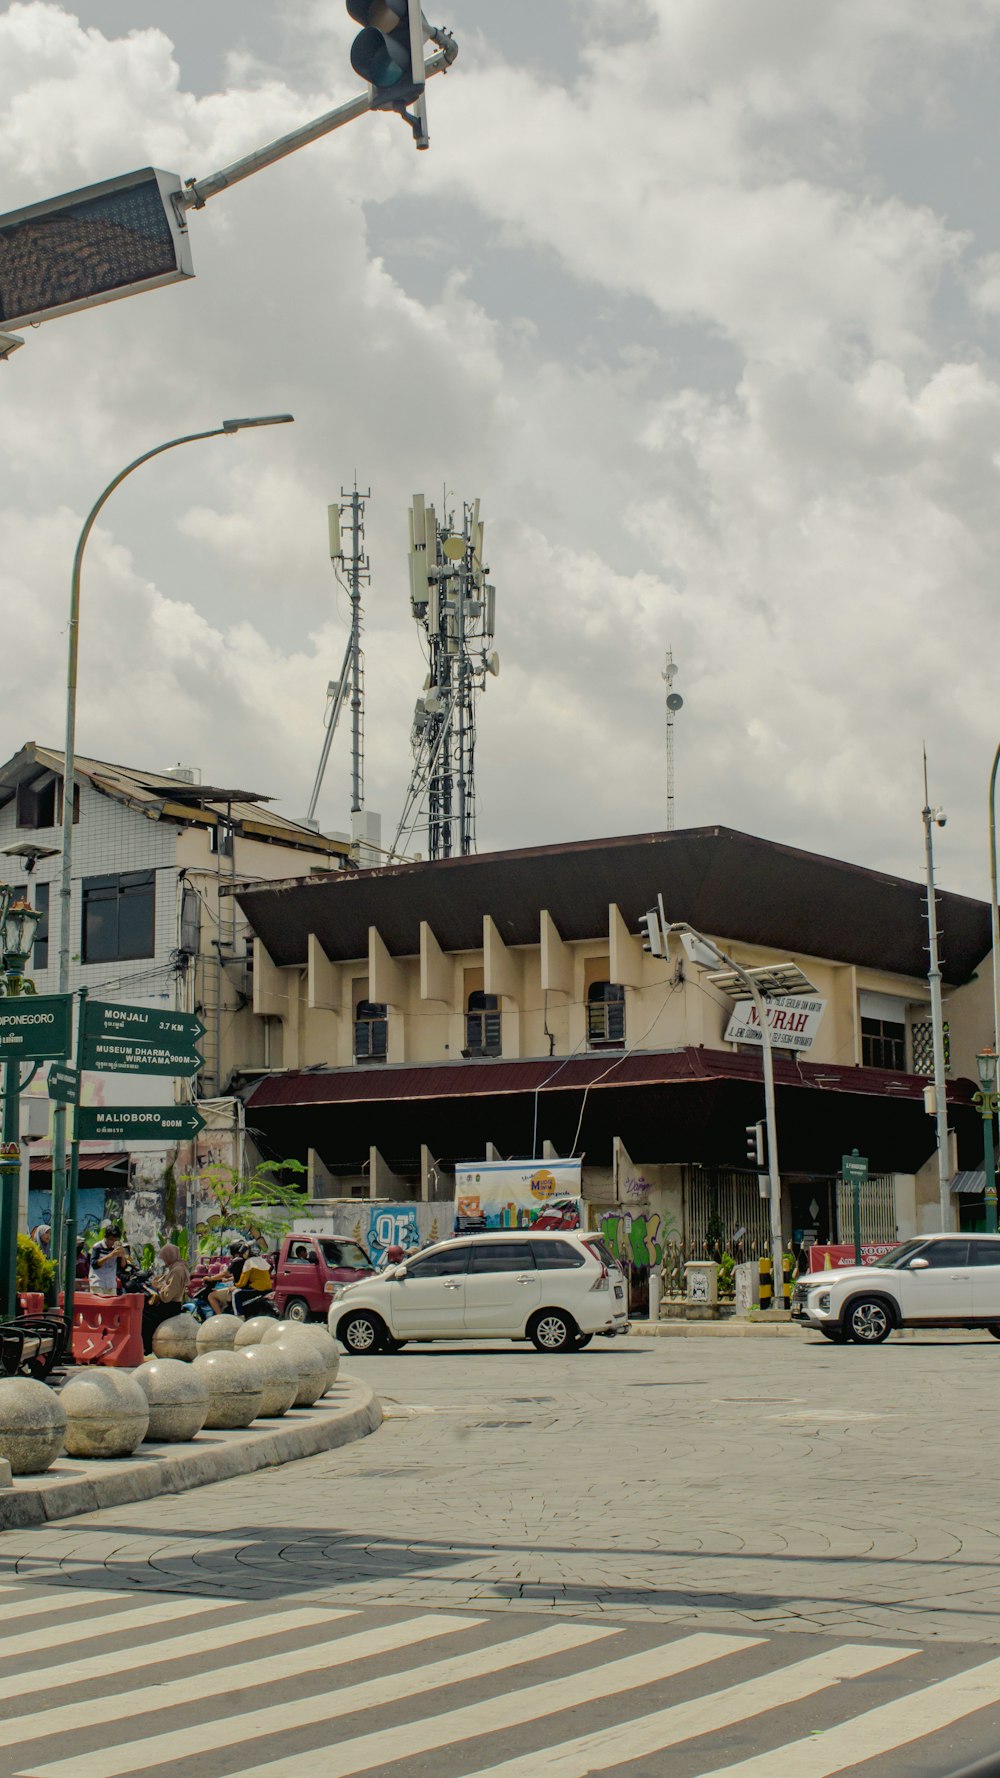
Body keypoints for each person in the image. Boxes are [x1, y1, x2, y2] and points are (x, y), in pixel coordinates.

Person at [142, 1243, 191, 1352]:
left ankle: (148, 1346)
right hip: (172, 1305)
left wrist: (157, 1286)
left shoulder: (177, 1270)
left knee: (144, 1315)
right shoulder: (177, 1267)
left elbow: (167, 1296)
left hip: (170, 1307)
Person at [232, 1245, 274, 1318]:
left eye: (244, 1252)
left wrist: (235, 1285)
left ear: (248, 1252)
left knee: (235, 1293)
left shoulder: (249, 1262)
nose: (243, 1254)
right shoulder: (262, 1260)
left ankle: (239, 1316)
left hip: (257, 1289)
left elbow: (242, 1283)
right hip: (268, 1288)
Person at [88, 1225, 127, 1297]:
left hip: (111, 1283)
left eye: (115, 1240)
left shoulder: (117, 1247)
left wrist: (123, 1255)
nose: (112, 1242)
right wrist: (110, 1255)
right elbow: (94, 1264)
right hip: (98, 1282)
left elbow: (122, 1266)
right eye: (111, 1239)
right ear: (105, 1237)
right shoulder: (97, 1247)